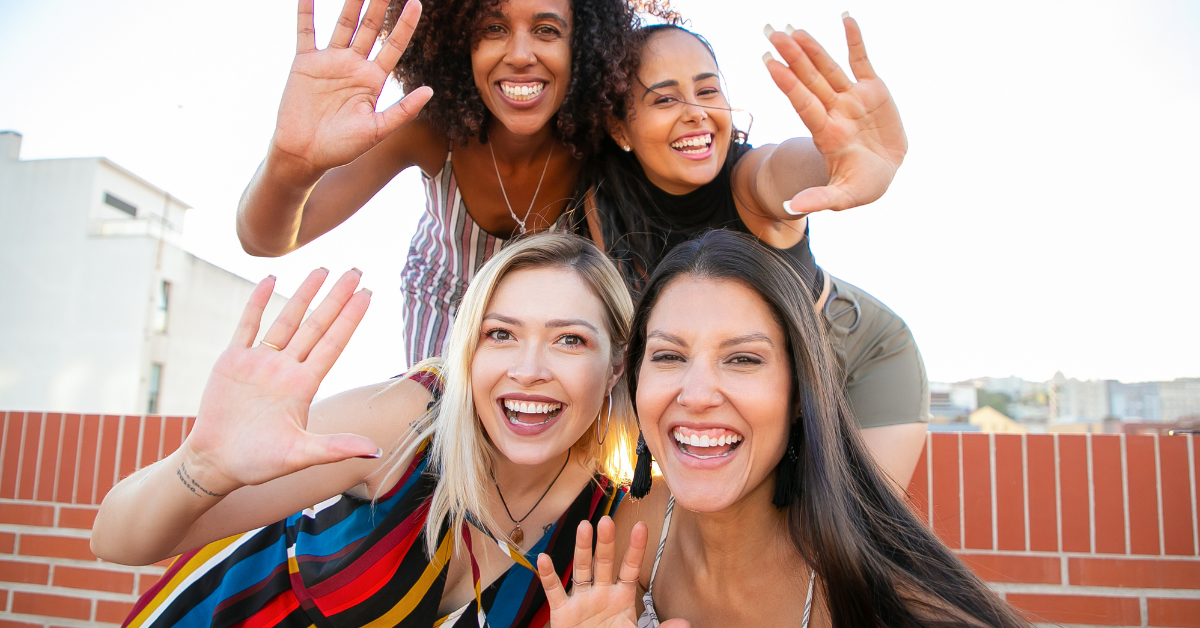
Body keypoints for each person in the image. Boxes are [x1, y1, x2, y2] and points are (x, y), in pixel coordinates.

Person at [93, 234, 637, 627]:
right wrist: (202, 467)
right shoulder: (406, 423)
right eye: (500, 334)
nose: (528, 368)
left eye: (570, 340)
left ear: (616, 364)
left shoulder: (611, 520)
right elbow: (117, 541)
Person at [535, 230, 1028, 628]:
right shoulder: (633, 530)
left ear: (798, 394)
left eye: (743, 359)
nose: (697, 394)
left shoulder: (893, 603)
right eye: (668, 356)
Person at [575, 18, 927, 486]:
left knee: (846, 544)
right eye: (664, 98)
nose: (696, 111)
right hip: (749, 380)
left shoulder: (747, 180)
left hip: (856, 355)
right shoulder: (604, 206)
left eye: (708, 91)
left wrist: (834, 160)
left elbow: (782, 170)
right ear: (620, 127)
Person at [235, 0, 673, 367]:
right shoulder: (429, 132)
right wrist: (290, 162)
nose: (520, 54)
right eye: (494, 28)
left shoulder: (599, 147)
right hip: (444, 318)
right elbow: (266, 239)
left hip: (550, 328)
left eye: (546, 30)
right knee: (440, 444)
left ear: (582, 47)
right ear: (459, 40)